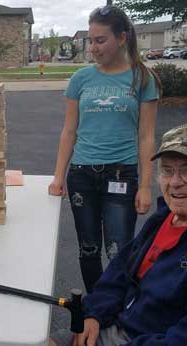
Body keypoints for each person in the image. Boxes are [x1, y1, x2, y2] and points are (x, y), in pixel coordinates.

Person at [36, 124, 187, 346]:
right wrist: (94, 315)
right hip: (127, 328)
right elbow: (121, 271)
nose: (175, 183)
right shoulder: (167, 217)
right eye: (167, 171)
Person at [48, 5, 161, 293]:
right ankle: (95, 308)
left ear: (122, 38)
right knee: (88, 248)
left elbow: (147, 136)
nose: (93, 48)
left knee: (118, 250)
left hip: (121, 175)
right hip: (82, 175)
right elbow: (69, 130)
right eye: (90, 41)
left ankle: (117, 308)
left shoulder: (142, 79)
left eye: (101, 40)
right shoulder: (81, 79)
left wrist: (146, 185)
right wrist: (58, 176)